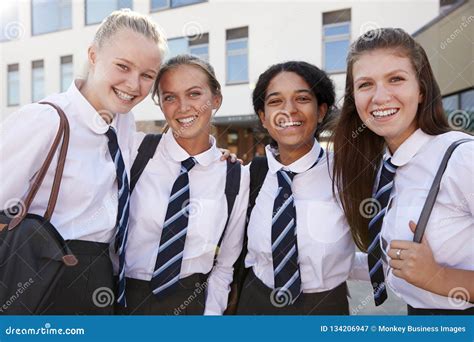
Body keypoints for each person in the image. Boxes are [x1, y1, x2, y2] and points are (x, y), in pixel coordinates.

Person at [0, 9, 166, 314]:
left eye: (147, 75)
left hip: (103, 277)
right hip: (44, 276)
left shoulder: (123, 124)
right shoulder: (46, 119)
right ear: (93, 55)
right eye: (122, 66)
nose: (133, 84)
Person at [332, 27, 473, 315]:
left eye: (396, 79)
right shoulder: (386, 166)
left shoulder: (463, 157)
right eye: (365, 84)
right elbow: (397, 258)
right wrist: (332, 260)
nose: (380, 97)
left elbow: (423, 269)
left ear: (421, 89)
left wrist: (439, 278)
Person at [120, 54, 249, 315]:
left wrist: (209, 316)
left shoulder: (236, 175)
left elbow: (225, 263)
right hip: (124, 299)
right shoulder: (136, 151)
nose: (182, 107)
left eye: (194, 94)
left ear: (216, 100)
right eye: (170, 97)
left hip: (192, 303)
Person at [236, 61, 354, 315]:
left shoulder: (347, 175)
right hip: (255, 303)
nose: (289, 110)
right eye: (276, 101)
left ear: (321, 111)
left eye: (302, 98)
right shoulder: (248, 176)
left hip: (323, 307)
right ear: (263, 118)